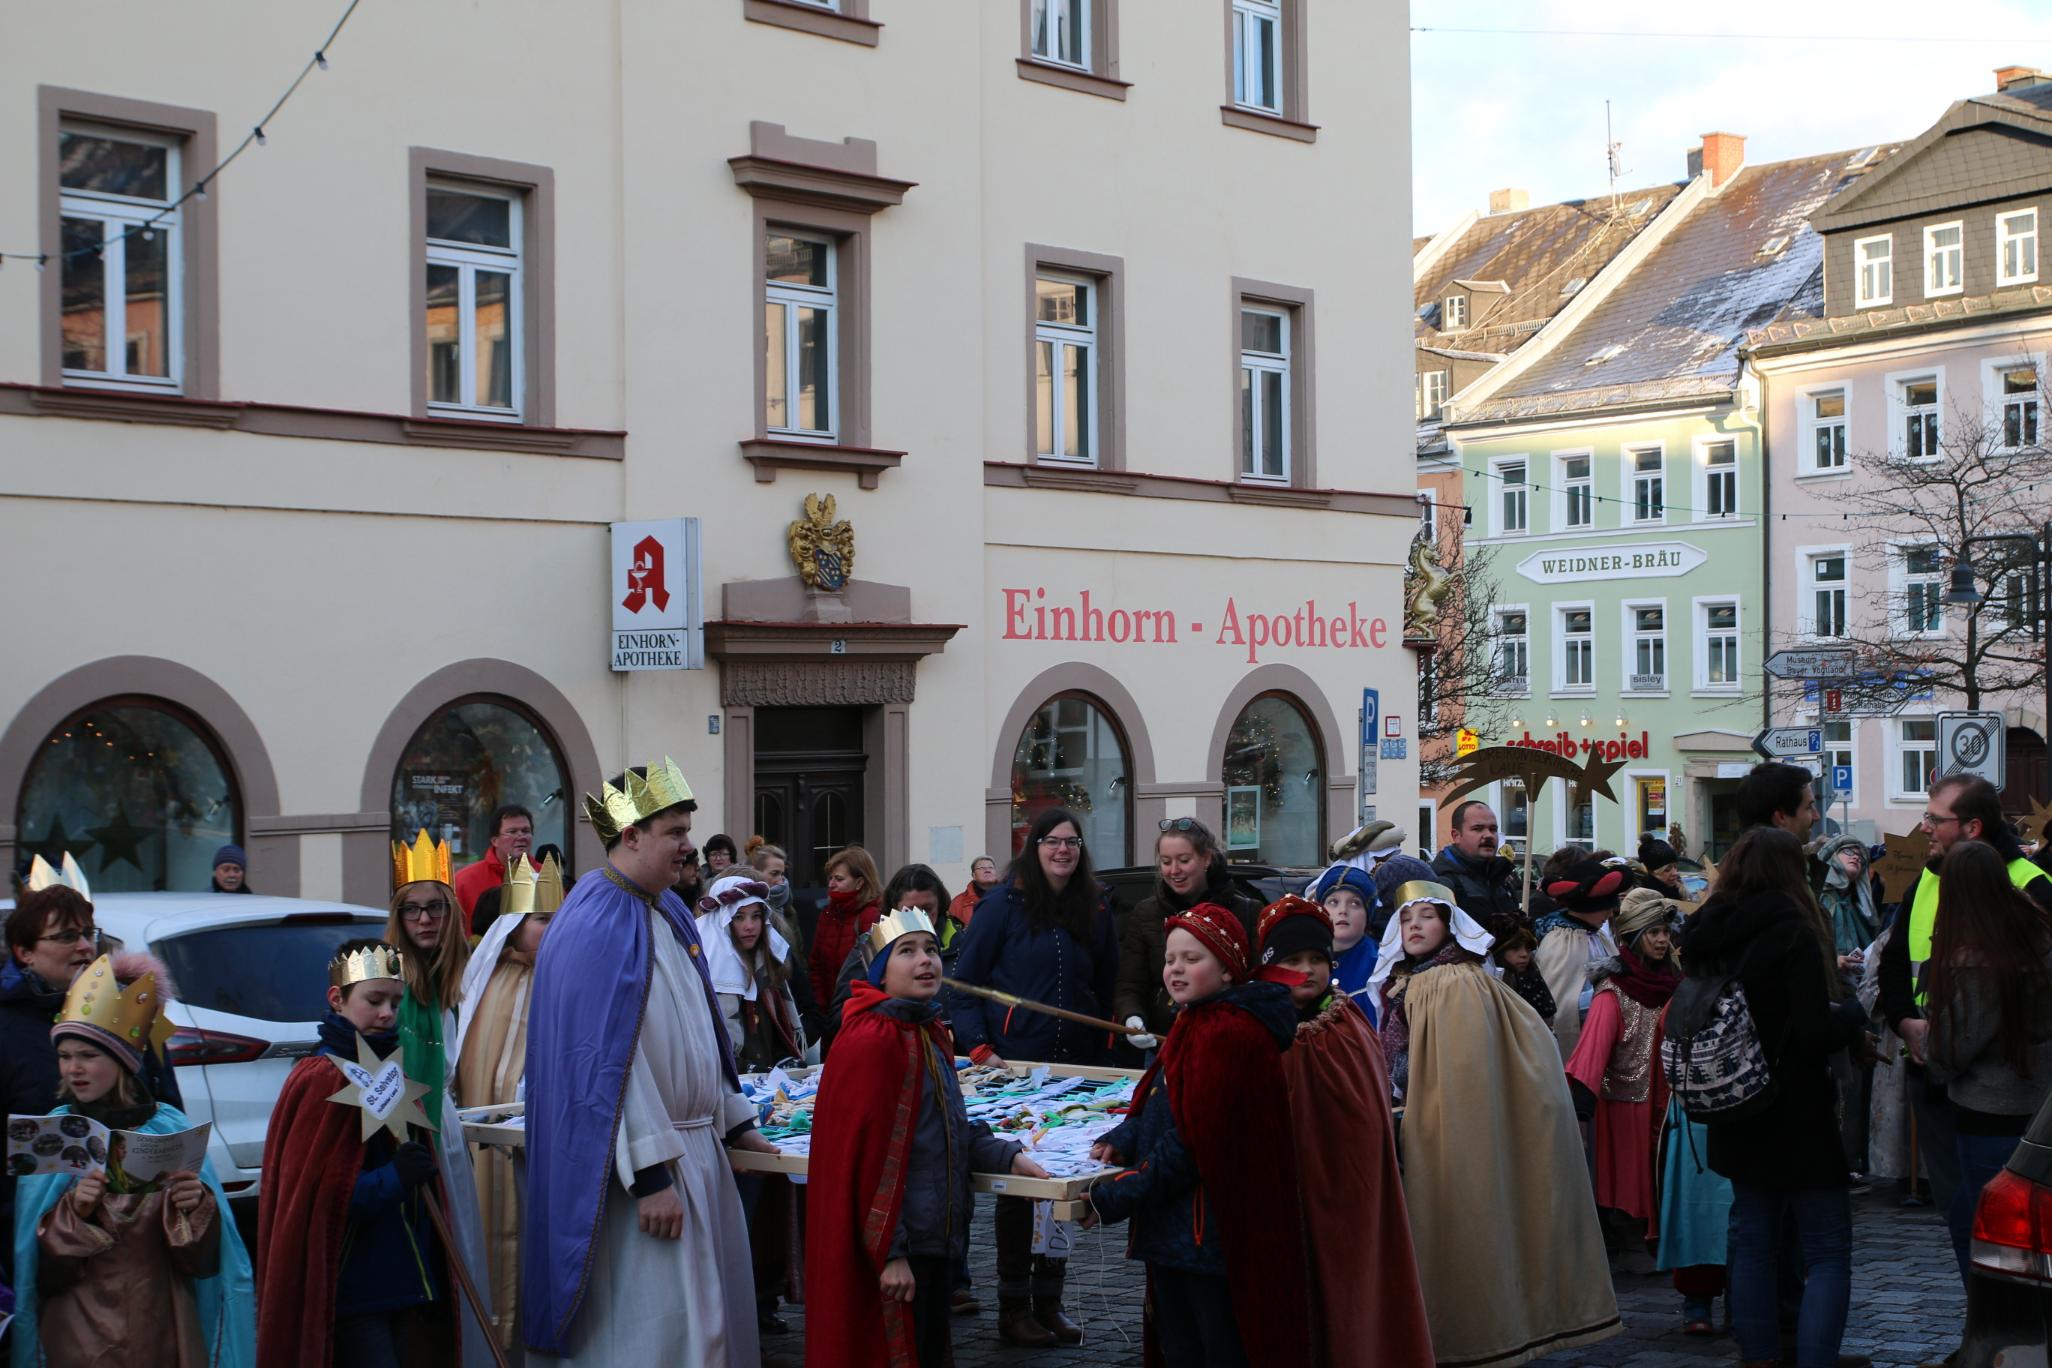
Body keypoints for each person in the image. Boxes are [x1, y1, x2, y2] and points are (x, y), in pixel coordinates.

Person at [520, 760, 780, 1362]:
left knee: (709, 1323)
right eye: (675, 833)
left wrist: (737, 1120)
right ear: (631, 836)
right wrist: (649, 1176)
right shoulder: (592, 921)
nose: (689, 847)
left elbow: (703, 1033)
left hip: (698, 1150)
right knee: (653, 1332)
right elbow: (604, 1065)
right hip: (638, 1169)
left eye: (688, 832)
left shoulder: (667, 908)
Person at [1373, 880, 1620, 1367]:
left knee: (1464, 1231)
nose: (1415, 926)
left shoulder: (1454, 982)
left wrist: (1415, 1110)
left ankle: (1476, 1339)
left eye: (1426, 916)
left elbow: (1460, 1076)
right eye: (1406, 918)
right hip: (1417, 1120)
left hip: (1446, 1131)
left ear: (1448, 925)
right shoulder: (1413, 979)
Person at [805, 907, 1049, 1367]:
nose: (926, 961)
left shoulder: (926, 1030)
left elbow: (945, 1123)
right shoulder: (873, 1040)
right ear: (880, 972)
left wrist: (1006, 1157)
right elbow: (866, 1162)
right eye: (908, 951)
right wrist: (890, 1253)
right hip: (902, 1248)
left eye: (932, 950)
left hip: (936, 1239)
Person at [1084, 903, 1311, 1368]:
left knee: (1210, 1349)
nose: (1176, 970)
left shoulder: (1226, 1032)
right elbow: (1172, 1101)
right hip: (1185, 1232)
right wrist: (1126, 1134)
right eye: (1170, 959)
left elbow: (1194, 1141)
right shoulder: (1199, 1019)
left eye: (1193, 959)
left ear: (1227, 970)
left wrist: (1118, 1196)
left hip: (1207, 1233)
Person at [12, 952, 254, 1367]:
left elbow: (205, 1262)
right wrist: (77, 1212)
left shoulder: (168, 1126)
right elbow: (38, 1271)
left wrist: (194, 1206)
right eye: (65, 1056)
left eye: (89, 1056)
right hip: (78, 1331)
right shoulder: (54, 1134)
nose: (74, 1069)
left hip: (161, 1321)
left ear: (123, 1063)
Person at [1679, 827, 1864, 1368]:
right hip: (1796, 1109)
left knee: (1755, 1239)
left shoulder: (1705, 934)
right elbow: (1811, 1032)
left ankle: (1758, 1357)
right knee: (1828, 1249)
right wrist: (1853, 1014)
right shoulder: (1791, 931)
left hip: (1734, 1103)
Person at [949, 808, 1118, 1347]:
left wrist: (1116, 1032)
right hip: (1017, 1067)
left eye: (1072, 842)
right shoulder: (1002, 906)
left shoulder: (1093, 906)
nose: (1063, 850)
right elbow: (966, 985)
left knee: (1060, 1190)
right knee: (1022, 1189)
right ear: (1034, 847)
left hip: (1078, 1070)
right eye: (1053, 842)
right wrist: (978, 1047)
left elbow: (1110, 979)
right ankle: (1013, 1306)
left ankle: (1051, 1298)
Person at [257, 939, 459, 1365]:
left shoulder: (392, 1069)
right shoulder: (322, 1079)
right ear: (337, 999)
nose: (387, 1013)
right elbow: (318, 1198)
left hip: (406, 1280)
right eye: (374, 1000)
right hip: (354, 1287)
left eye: (395, 1001)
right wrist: (396, 1178)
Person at [1254, 896, 1433, 1368]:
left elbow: (1364, 1116)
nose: (1307, 971)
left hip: (1345, 1194)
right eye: (1292, 960)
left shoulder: (1344, 1025)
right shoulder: (1251, 1027)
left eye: (1316, 959)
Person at [0, 859, 181, 1286]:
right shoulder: (6, 1027)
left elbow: (169, 1110)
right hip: (34, 1245)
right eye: (66, 936)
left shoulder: (129, 1011)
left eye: (88, 933)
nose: (84, 946)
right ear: (24, 952)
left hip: (134, 1244)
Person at [1878, 773, 2052, 1215]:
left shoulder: (2033, 886)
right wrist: (1906, 1022)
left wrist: (1947, 1041)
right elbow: (1895, 962)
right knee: (1959, 1214)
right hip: (1933, 1078)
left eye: (1935, 819)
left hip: (2001, 1090)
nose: (1924, 828)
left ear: (1972, 827)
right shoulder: (1926, 881)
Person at [382, 833, 492, 1364]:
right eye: (411, 909)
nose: (423, 920)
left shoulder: (447, 982)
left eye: (434, 908)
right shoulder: (392, 985)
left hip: (442, 1130)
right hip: (405, 1137)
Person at [1922, 839, 2052, 1284]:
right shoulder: (2033, 932)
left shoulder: (1982, 959)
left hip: (1991, 1111)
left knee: (1986, 1230)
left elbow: (1953, 1048)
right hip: (2034, 1107)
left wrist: (1928, 1040)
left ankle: (1997, 1331)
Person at [453, 851, 562, 1354]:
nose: (553, 928)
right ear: (514, 927)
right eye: (542, 919)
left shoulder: (561, 981)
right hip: (488, 1138)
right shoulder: (487, 981)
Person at [696, 873, 807, 1337]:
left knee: (772, 1210)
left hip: (774, 1102)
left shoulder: (771, 967)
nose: (749, 925)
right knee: (740, 1209)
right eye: (739, 916)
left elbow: (791, 1026)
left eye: (756, 915)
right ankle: (733, 1306)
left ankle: (763, 1299)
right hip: (732, 1109)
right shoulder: (711, 972)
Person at [1564, 886, 1680, 1276]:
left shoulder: (1676, 986)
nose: (1662, 940)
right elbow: (1592, 1051)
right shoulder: (1613, 993)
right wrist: (1582, 1107)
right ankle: (1631, 1239)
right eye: (1653, 932)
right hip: (1626, 1102)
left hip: (1671, 1101)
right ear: (1633, 937)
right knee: (1630, 1176)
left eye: (1665, 931)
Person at [1116, 818, 1257, 1048]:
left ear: (1206, 859)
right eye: (1165, 861)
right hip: (1165, 1043)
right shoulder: (1145, 913)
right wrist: (1132, 1017)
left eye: (1184, 860)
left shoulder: (1247, 911)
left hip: (1230, 1043)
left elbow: (1259, 982)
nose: (1174, 871)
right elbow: (1130, 984)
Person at [1535, 856, 1627, 1057]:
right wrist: (1602, 998)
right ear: (1589, 907)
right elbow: (1560, 1001)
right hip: (1580, 1041)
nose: (1610, 914)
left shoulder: (1598, 935)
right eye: (1605, 907)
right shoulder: (1560, 941)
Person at [808, 846, 884, 1052]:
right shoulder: (828, 914)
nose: (832, 884)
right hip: (829, 1021)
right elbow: (815, 964)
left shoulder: (871, 916)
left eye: (839, 879)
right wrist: (823, 1009)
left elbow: (874, 973)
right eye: (831, 878)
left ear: (860, 882)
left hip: (859, 1020)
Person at [1432, 801, 1524, 927]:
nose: (1488, 835)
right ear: (1456, 835)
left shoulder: (1502, 879)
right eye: (1477, 829)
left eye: (1493, 829)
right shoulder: (1441, 883)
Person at [451, 804, 535, 919]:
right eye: (512, 831)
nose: (521, 836)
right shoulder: (464, 881)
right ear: (495, 841)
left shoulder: (545, 876)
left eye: (526, 831)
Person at [1492, 925, 1556, 1025]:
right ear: (1501, 952)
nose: (1524, 954)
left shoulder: (1533, 977)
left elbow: (1547, 1015)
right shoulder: (1492, 981)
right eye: (1515, 948)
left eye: (1528, 948)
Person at [949, 856, 999, 927]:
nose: (987, 870)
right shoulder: (958, 902)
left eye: (991, 867)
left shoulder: (1007, 897)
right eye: (981, 868)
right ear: (974, 875)